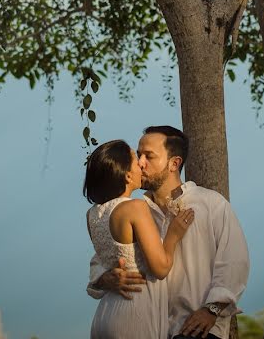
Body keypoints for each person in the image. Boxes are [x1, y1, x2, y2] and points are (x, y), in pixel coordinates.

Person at [88, 126, 250, 339]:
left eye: (149, 156)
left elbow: (234, 261)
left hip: (197, 329)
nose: (140, 163)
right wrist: (104, 279)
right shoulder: (133, 209)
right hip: (146, 327)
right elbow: (102, 258)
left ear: (174, 163)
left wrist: (211, 309)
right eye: (138, 155)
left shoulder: (211, 204)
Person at [84, 139, 196, 339]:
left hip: (105, 314)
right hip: (135, 313)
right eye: (137, 160)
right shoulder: (135, 208)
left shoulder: (92, 215)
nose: (142, 164)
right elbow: (160, 268)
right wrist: (173, 234)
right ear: (127, 175)